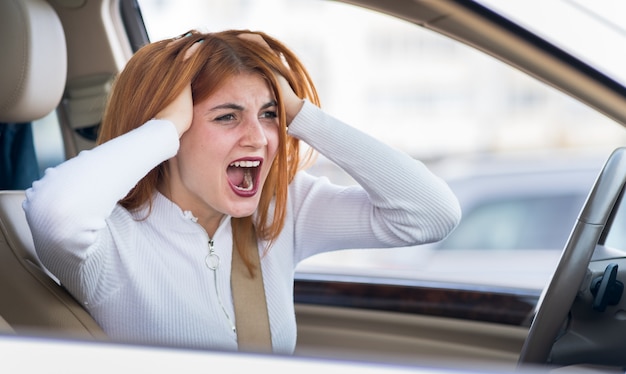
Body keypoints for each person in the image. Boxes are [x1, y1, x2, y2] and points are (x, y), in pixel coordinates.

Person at [23, 30, 461, 354]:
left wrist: (300, 113)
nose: (258, 137)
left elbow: (431, 213)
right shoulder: (106, 241)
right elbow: (54, 213)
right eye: (226, 117)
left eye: (269, 114)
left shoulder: (280, 210)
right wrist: (165, 126)